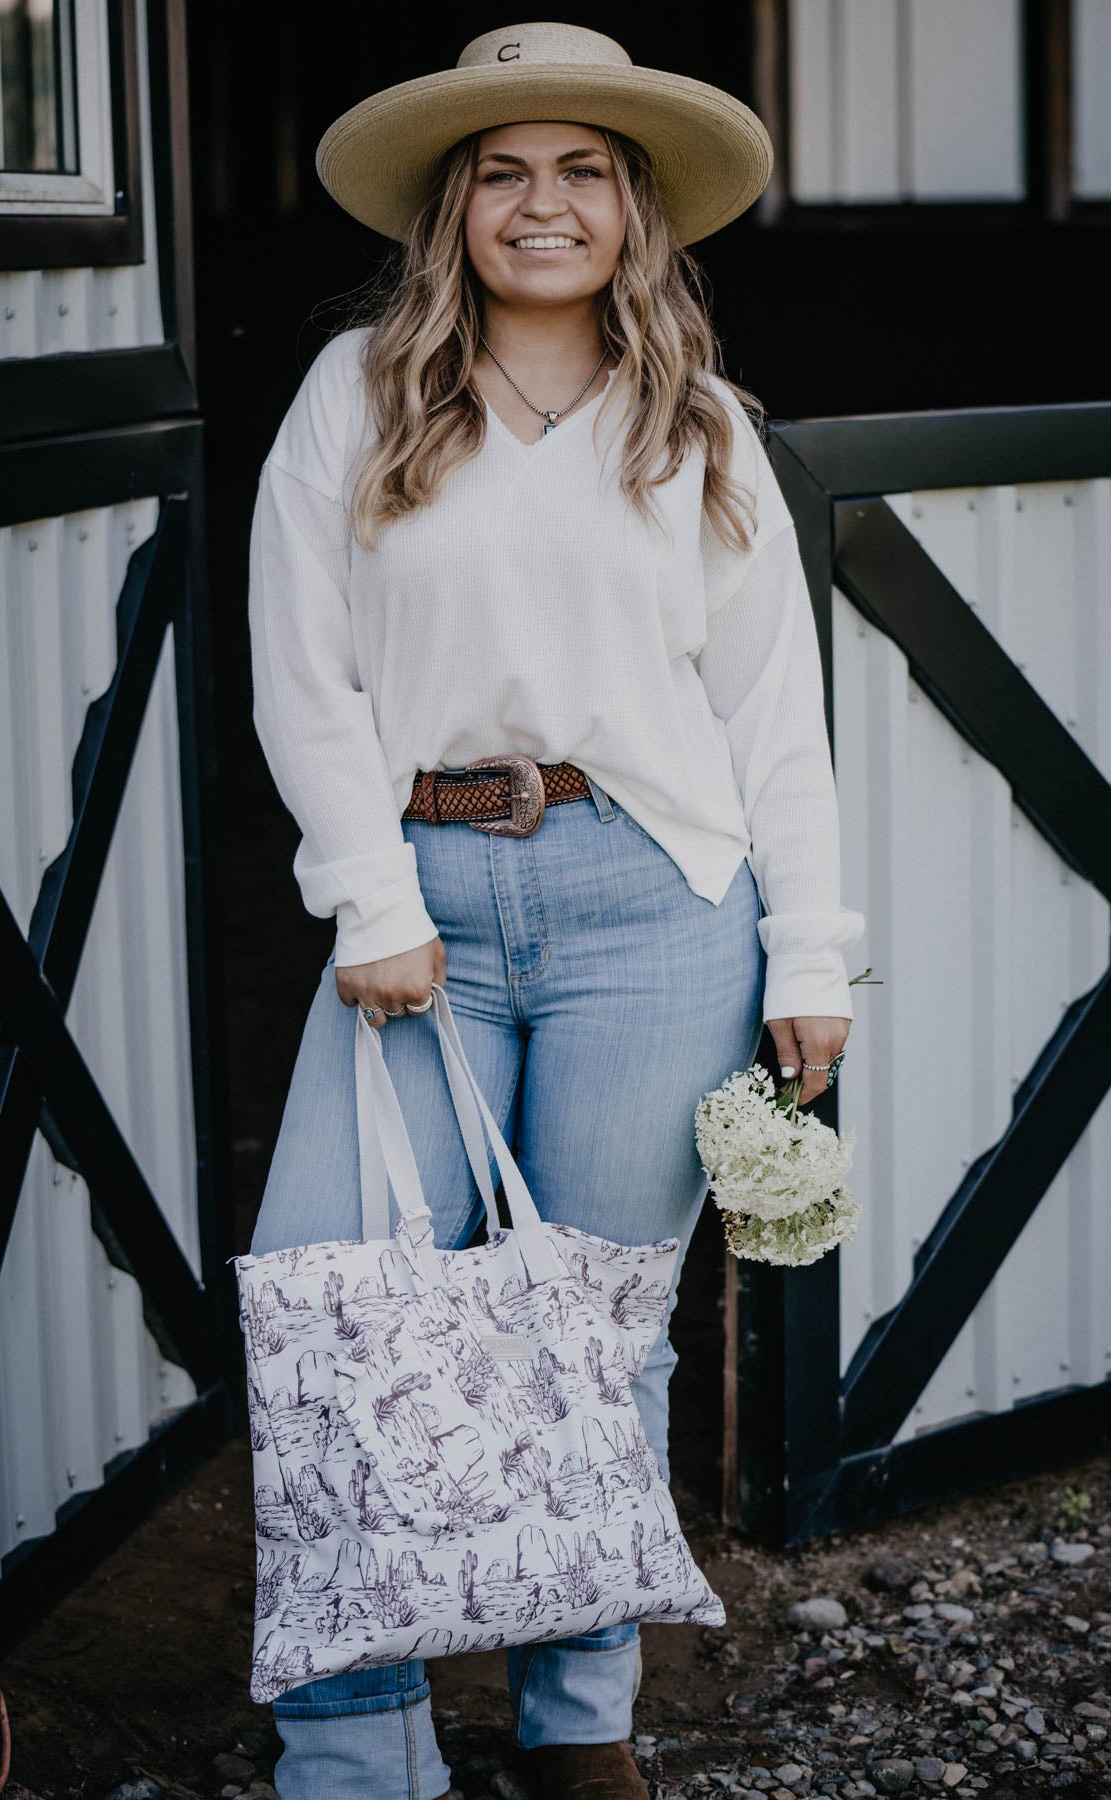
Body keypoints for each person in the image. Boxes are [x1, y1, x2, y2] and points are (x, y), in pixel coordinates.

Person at [246, 22, 865, 1800]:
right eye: (503, 171)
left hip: (654, 905)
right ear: (456, 210)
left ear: (633, 209)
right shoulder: (357, 391)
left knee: (596, 1339)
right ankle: (357, 1757)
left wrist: (805, 949)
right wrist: (370, 894)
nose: (544, 202)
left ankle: (575, 1732)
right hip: (415, 904)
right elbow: (304, 675)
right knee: (341, 1310)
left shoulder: (701, 427)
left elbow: (773, 718)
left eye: (583, 169)